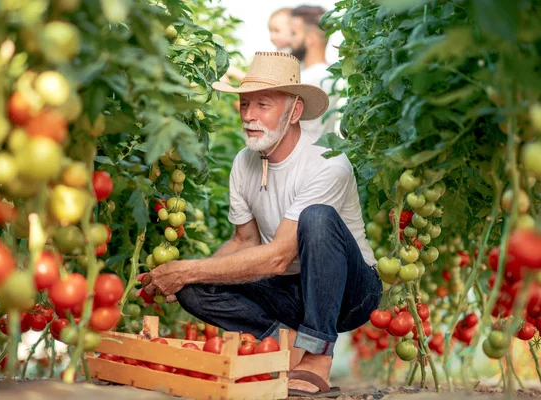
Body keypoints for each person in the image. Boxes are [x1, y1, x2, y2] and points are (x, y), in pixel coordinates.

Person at [137, 52, 381, 398]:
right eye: (244, 105)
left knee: (318, 218)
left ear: (294, 112)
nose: (249, 116)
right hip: (289, 290)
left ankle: (316, 357)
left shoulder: (329, 164)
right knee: (195, 285)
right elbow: (244, 241)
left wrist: (186, 270)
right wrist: (180, 275)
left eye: (263, 105)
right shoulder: (244, 162)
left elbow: (279, 256)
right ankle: (287, 345)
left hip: (350, 292)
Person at [290, 5, 340, 140]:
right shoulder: (328, 74)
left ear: (311, 39)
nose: (291, 40)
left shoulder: (311, 79)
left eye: (294, 34)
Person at [224, 7, 294, 83]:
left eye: (277, 31)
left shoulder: (290, 58)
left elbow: (267, 85)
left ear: (294, 30)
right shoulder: (281, 53)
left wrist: (236, 73)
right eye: (270, 31)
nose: (272, 36)